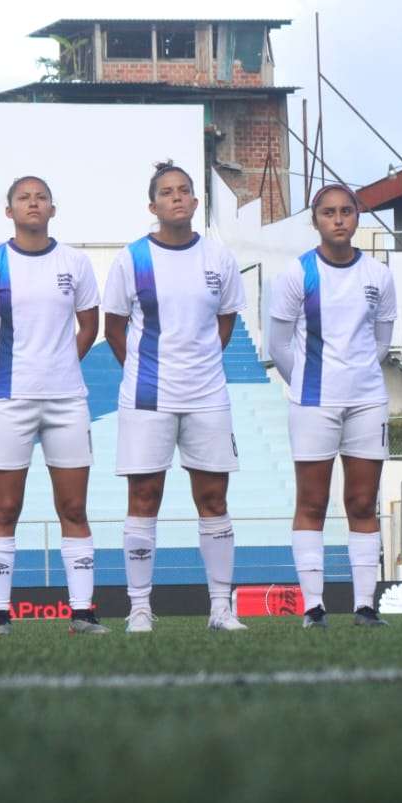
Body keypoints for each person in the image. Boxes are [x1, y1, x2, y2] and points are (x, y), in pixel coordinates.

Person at [103, 161, 247, 633]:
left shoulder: (218, 259)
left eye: (185, 190)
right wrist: (150, 374)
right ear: (153, 205)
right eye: (167, 192)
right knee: (144, 496)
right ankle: (140, 607)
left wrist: (196, 366)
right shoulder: (131, 259)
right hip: (147, 396)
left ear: (195, 201)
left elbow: (225, 323)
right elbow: (114, 328)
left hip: (207, 395)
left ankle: (221, 608)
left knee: (213, 497)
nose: (177, 198)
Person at [0, 175, 105, 635]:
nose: (33, 203)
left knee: (74, 508)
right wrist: (8, 370)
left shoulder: (75, 262)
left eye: (41, 197)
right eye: (24, 198)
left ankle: (82, 612)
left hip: (67, 402)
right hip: (10, 402)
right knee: (5, 508)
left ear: (53, 209)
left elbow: (89, 325)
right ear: (9, 212)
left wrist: (60, 366)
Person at [266, 183, 396, 628]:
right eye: (328, 213)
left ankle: (364, 605)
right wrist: (306, 383)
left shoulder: (378, 275)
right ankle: (314, 606)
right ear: (315, 219)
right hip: (313, 402)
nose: (339, 219)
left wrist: (356, 376)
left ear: (358, 216)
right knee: (313, 502)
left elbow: (381, 341)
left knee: (362, 502)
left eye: (346, 211)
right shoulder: (296, 274)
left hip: (366, 401)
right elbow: (278, 344)